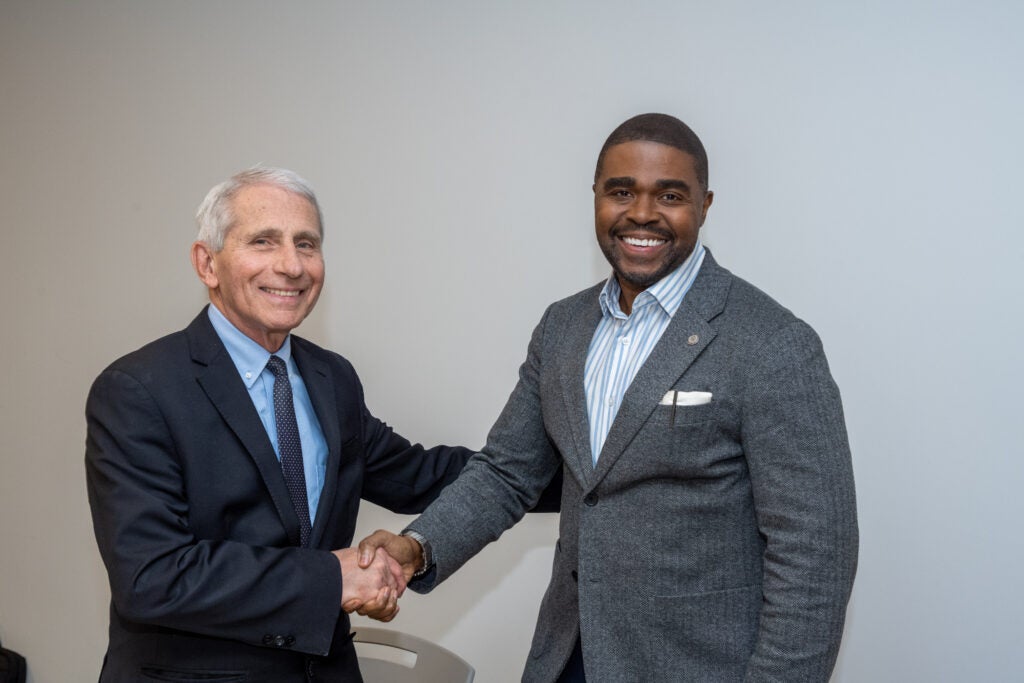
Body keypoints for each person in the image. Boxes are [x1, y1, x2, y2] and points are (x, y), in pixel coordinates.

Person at [358, 114, 859, 682]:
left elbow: (815, 554)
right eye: (621, 191)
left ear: (705, 204)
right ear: (595, 196)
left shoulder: (772, 343)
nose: (642, 213)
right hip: (568, 656)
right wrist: (416, 547)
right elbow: (506, 473)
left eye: (669, 195)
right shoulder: (563, 327)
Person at [84, 167, 475, 681]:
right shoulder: (138, 389)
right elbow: (151, 577)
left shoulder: (331, 377)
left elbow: (420, 475)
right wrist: (332, 579)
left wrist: (572, 469)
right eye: (263, 242)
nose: (291, 265)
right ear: (208, 263)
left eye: (306, 244)